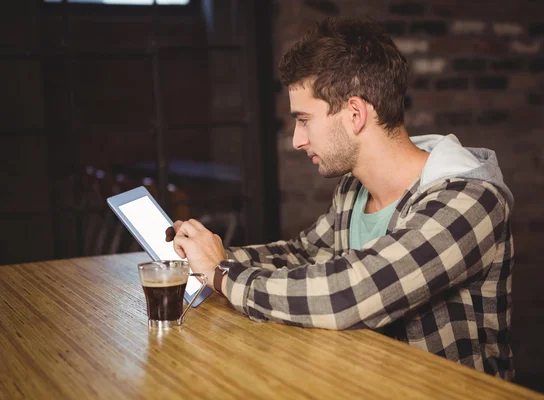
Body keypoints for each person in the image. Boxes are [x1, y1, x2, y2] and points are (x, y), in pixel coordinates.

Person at [165, 17, 515, 380]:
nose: (297, 140)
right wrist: (206, 255)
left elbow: (353, 292)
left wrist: (223, 274)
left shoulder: (470, 201)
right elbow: (302, 255)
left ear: (355, 114)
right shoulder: (353, 189)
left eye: (304, 120)